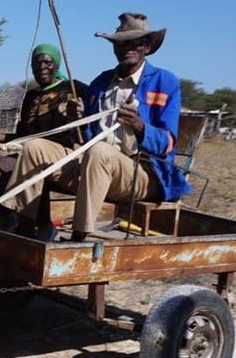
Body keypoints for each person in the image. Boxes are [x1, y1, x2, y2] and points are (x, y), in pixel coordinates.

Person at [69, 12, 191, 242]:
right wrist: (78, 119)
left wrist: (140, 126)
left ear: (147, 47)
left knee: (100, 152)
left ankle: (79, 238)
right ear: (114, 47)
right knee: (36, 148)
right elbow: (87, 137)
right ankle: (18, 226)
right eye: (122, 43)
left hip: (143, 174)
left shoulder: (165, 82)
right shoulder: (101, 82)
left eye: (137, 43)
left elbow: (168, 143)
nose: (128, 48)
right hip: (97, 166)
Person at [0, 43, 88, 236]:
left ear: (56, 65)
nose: (41, 66)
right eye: (36, 62)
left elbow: (93, 117)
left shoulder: (75, 88)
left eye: (47, 62)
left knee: (10, 168)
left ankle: (39, 227)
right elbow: (22, 137)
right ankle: (2, 218)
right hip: (29, 150)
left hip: (62, 154)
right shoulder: (30, 96)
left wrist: (81, 115)